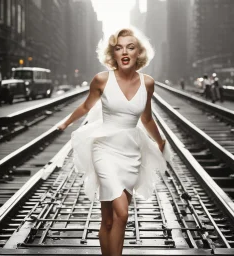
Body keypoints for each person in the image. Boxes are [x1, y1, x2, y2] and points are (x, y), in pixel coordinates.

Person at [58, 28, 172, 256]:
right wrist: (66, 122)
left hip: (132, 151)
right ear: (114, 53)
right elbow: (85, 107)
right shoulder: (101, 80)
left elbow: (147, 118)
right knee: (123, 213)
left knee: (110, 220)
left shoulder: (148, 83)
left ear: (139, 52)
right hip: (105, 149)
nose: (125, 52)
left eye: (130, 47)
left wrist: (160, 141)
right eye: (119, 48)